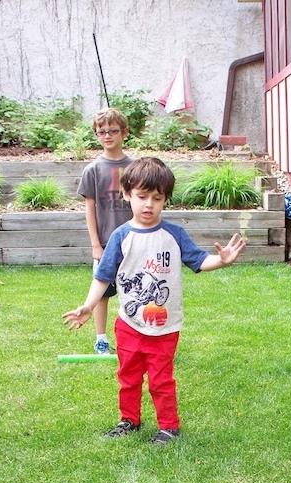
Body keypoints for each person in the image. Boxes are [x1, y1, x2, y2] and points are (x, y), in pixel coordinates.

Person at [63, 157, 245, 444]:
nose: (149, 204)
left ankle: (169, 427)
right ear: (126, 195)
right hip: (129, 325)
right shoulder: (120, 237)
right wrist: (88, 304)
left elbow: (198, 261)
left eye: (157, 198)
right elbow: (103, 276)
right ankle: (129, 420)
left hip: (164, 326)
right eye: (142, 196)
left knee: (161, 380)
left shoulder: (174, 235)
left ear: (165, 200)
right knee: (128, 376)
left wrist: (220, 261)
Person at [77, 108, 134, 355]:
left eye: (113, 131)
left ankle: (136, 336)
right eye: (102, 132)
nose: (107, 135)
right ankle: (101, 339)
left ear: (125, 133)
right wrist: (95, 244)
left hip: (133, 242)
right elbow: (90, 208)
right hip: (105, 244)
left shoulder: (135, 167)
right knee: (103, 290)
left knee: (135, 289)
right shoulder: (92, 170)